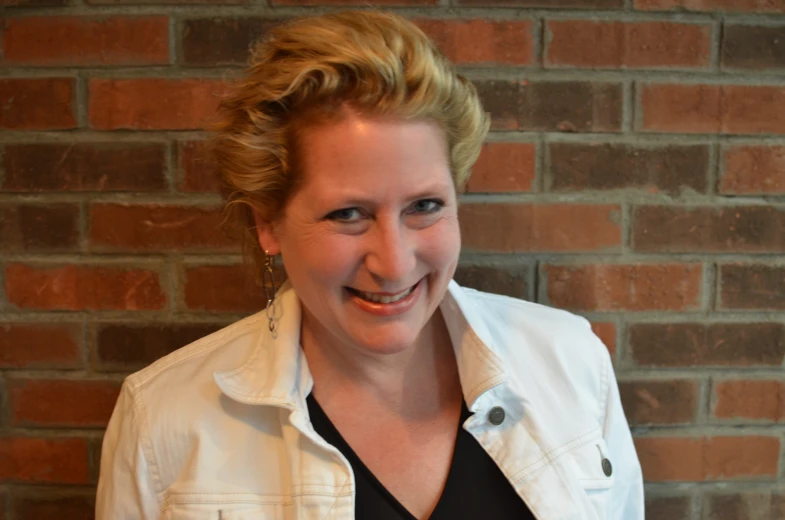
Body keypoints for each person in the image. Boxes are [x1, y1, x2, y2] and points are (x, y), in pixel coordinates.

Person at [96, 10, 643, 520]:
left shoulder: (571, 363)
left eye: (424, 206)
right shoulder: (163, 420)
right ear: (268, 224)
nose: (395, 262)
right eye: (348, 213)